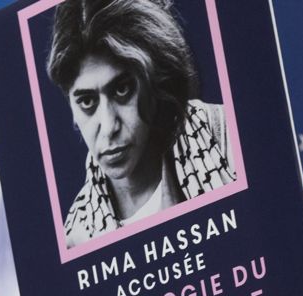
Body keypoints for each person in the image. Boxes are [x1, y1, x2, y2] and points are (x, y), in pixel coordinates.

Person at [45, 0, 236, 248]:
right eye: (87, 101)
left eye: (122, 89)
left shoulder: (227, 138)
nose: (109, 125)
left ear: (154, 83)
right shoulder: (76, 237)